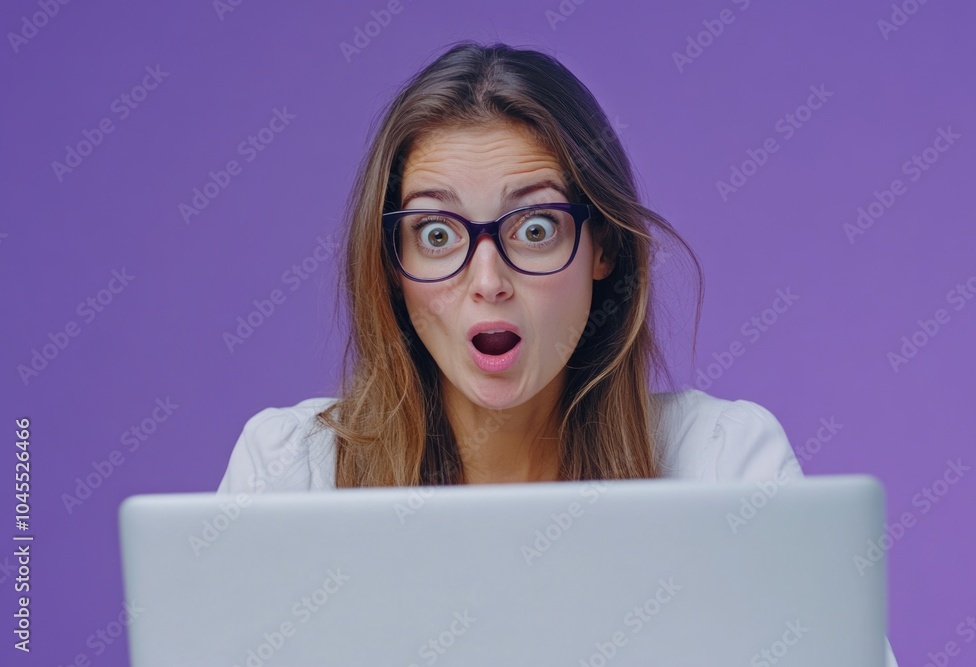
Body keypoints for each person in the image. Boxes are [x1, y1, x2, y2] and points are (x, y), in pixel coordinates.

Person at [216, 41, 898, 666]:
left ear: (602, 246)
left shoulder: (726, 466)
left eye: (535, 227)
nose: (487, 281)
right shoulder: (290, 472)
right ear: (391, 265)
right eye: (435, 234)